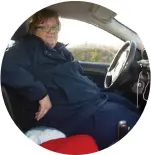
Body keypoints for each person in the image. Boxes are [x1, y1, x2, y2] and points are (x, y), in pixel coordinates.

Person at [1, 8, 141, 150]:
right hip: (75, 113)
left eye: (55, 27)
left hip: (94, 100)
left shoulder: (59, 51)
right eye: (44, 27)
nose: (51, 31)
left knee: (129, 105)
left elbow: (77, 76)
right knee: (131, 121)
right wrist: (40, 93)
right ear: (33, 30)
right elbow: (4, 65)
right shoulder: (26, 47)